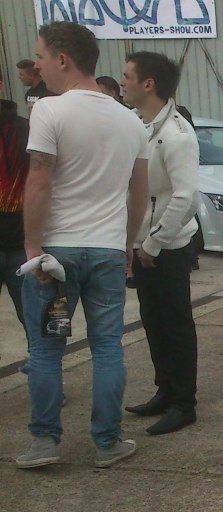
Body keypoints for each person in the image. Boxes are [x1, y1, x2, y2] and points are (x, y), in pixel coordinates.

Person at [16, 21, 149, 469]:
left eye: (39, 57)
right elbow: (138, 193)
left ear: (63, 59)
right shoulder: (131, 121)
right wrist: (126, 245)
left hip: (57, 253)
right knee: (108, 346)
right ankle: (108, 442)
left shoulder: (50, 111)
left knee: (47, 349)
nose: (36, 65)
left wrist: (33, 248)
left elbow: (39, 181)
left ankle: (44, 442)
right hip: (108, 250)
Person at [120, 51, 200, 435]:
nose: (121, 82)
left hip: (167, 248)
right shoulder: (141, 126)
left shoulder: (177, 135)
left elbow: (187, 198)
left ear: (148, 84)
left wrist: (153, 244)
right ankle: (164, 391)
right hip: (143, 245)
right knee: (153, 322)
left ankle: (185, 403)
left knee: (176, 325)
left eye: (127, 76)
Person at [1, 69, 30, 348]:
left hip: (20, 242)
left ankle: (43, 380)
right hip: (20, 239)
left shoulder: (24, 129)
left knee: (33, 319)